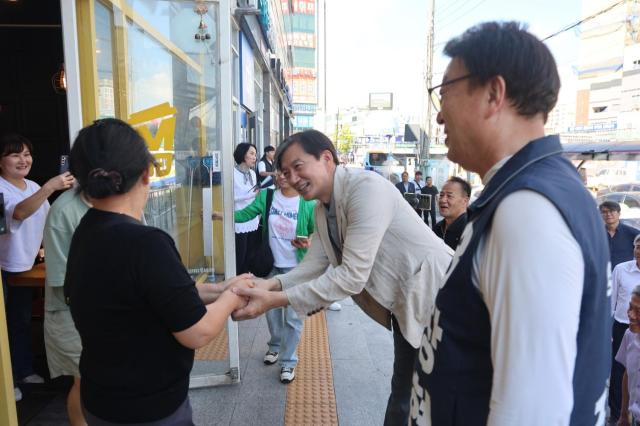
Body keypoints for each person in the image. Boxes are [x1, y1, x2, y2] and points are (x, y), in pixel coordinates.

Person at [410, 22, 609, 425]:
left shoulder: (527, 211)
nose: (439, 115)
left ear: (493, 94)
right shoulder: (536, 191)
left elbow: (531, 414)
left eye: (444, 93)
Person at [232, 130, 453, 425]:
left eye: (298, 167)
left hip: (443, 300)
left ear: (326, 158)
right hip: (408, 305)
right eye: (285, 172)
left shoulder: (365, 189)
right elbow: (314, 263)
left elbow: (351, 276)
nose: (292, 178)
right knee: (404, 392)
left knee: (438, 396)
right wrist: (270, 284)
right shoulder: (324, 208)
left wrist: (273, 299)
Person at [64, 118, 252, 425]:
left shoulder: (86, 231)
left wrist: (219, 289)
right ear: (146, 174)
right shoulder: (146, 243)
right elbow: (198, 332)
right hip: (148, 407)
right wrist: (232, 297)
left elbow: (157, 294)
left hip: (100, 398)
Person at [0, 133, 74, 402]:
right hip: (6, 267)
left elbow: (44, 219)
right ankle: (8, 383)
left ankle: (23, 369)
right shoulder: (4, 188)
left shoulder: (31, 185)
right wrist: (50, 187)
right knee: (7, 326)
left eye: (27, 154)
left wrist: (43, 248)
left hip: (27, 266)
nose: (23, 159)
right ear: (1, 161)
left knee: (19, 322)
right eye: (15, 154)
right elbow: (19, 213)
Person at [234, 172, 315, 383]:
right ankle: (275, 346)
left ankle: (288, 362)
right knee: (271, 314)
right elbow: (245, 214)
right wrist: (219, 215)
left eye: (287, 173)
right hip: (270, 266)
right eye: (278, 171)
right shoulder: (267, 197)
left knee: (293, 318)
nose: (281, 176)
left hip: (296, 268)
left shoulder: (307, 201)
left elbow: (317, 231)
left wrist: (308, 241)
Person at [43, 185, 90, 426]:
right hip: (73, 312)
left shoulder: (124, 197)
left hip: (110, 310)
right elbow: (65, 283)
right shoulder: (64, 210)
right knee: (85, 381)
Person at [611, 234, 640, 425]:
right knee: (620, 370)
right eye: (637, 246)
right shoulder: (621, 269)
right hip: (623, 327)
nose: (638, 251)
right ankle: (615, 414)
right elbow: (611, 300)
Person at [233, 143, 260, 274]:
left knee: (250, 256)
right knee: (240, 256)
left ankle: (247, 281)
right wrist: (251, 194)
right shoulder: (232, 173)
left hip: (253, 220)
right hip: (238, 221)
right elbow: (230, 197)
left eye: (255, 154)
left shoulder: (253, 173)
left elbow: (253, 195)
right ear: (243, 154)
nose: (254, 157)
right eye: (251, 153)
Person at [616, 284, 640, 426]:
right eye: (630, 307)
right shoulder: (629, 336)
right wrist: (624, 414)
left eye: (638, 311)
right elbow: (628, 374)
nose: (630, 315)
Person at [434, 176, 470, 250]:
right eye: (441, 195)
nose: (442, 200)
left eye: (449, 196)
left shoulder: (470, 230)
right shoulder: (437, 228)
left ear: (465, 201)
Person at [601, 201, 639, 269]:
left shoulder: (633, 233)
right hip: (603, 274)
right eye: (604, 212)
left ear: (619, 213)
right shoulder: (597, 234)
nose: (608, 214)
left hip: (625, 275)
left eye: (612, 211)